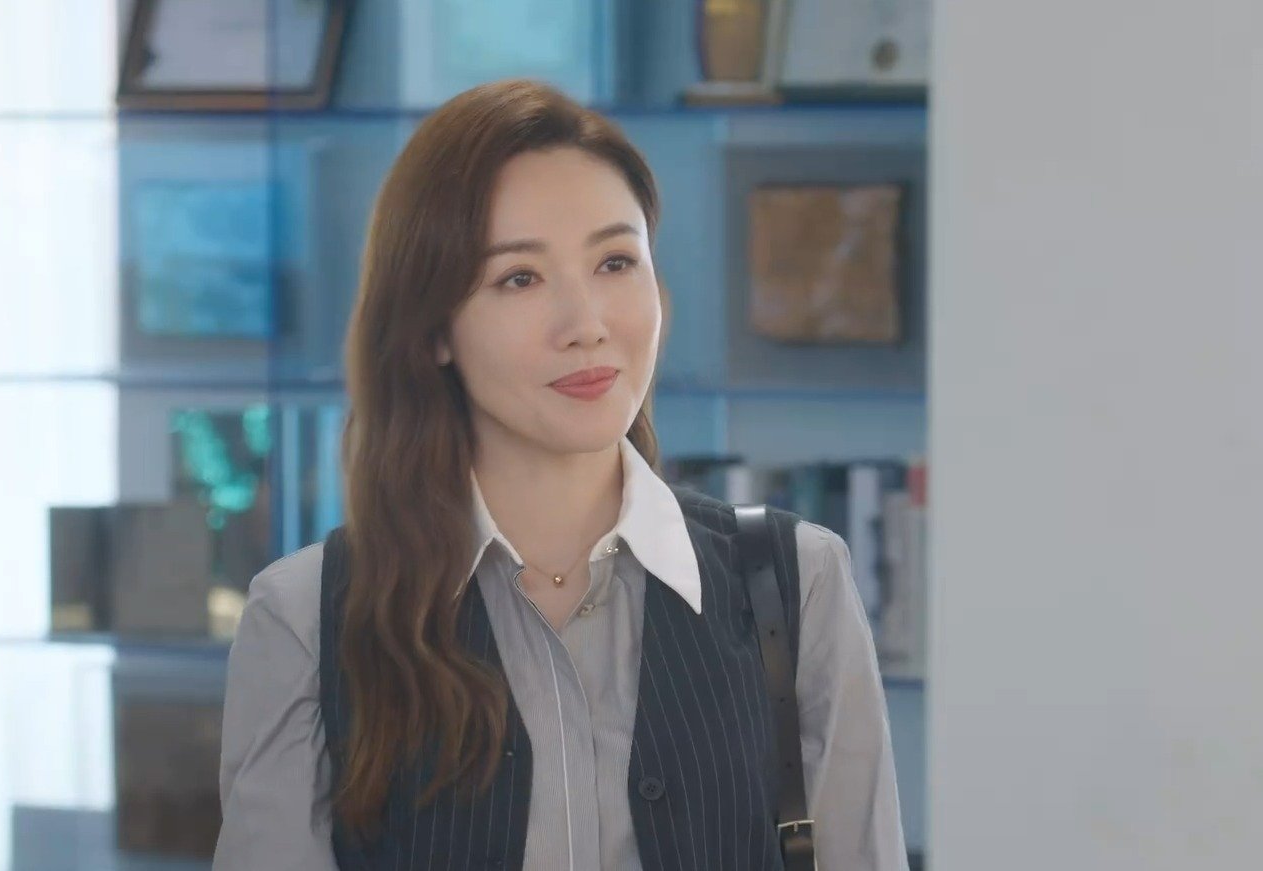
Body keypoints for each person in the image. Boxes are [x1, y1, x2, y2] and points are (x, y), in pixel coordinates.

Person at [212, 79, 907, 870]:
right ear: (433, 329)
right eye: (520, 277)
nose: (587, 324)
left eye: (616, 262)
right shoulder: (306, 618)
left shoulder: (796, 583)